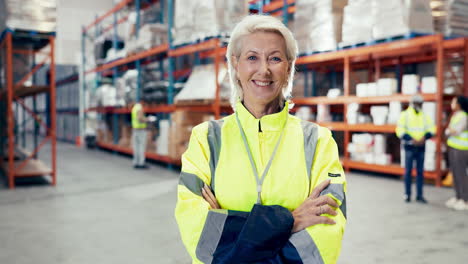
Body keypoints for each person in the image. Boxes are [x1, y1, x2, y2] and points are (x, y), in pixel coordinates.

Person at [175, 15, 346, 264]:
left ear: (288, 68)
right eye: (252, 57)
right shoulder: (206, 140)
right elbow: (200, 236)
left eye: (275, 58)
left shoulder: (318, 141)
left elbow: (323, 242)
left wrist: (233, 227)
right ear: (236, 65)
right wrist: (290, 221)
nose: (263, 69)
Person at [396, 94, 436, 203]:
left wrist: (425, 137)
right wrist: (411, 139)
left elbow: (432, 129)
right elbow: (399, 130)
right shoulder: (405, 115)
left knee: (420, 172)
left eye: (420, 103)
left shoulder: (425, 116)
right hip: (409, 146)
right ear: (413, 103)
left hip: (421, 147)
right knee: (408, 171)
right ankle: (407, 194)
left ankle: (419, 195)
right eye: (418, 103)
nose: (419, 105)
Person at [445, 96, 468, 210]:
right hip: (453, 147)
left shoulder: (464, 116)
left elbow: (456, 130)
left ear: (459, 104)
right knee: (454, 173)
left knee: (461, 174)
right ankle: (458, 197)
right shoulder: (456, 115)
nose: (452, 103)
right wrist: (449, 131)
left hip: (462, 149)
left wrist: (449, 131)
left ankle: (465, 200)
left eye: (454, 102)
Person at [131, 99, 149, 169]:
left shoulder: (134, 108)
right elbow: (140, 118)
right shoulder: (139, 108)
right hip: (140, 130)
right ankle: (141, 163)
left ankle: (136, 162)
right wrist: (148, 119)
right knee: (141, 147)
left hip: (135, 130)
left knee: (136, 147)